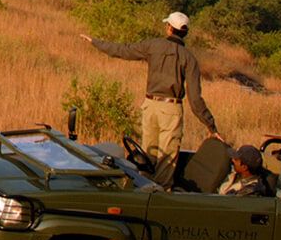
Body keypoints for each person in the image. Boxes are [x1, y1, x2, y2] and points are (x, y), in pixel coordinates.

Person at [80, 11, 217, 166]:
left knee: (148, 154)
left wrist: (95, 42)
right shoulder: (189, 58)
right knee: (168, 159)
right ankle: (161, 188)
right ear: (185, 33)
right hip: (172, 109)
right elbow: (195, 99)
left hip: (150, 105)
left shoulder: (153, 45)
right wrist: (211, 126)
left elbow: (122, 50)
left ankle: (145, 186)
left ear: (169, 28)